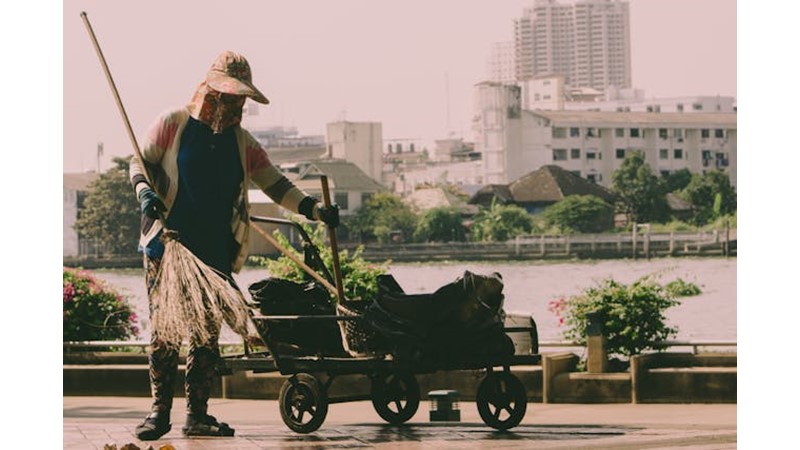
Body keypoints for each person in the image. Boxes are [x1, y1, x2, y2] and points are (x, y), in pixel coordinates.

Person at [129, 51, 339, 440]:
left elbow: (275, 184)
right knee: (165, 331)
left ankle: (198, 414)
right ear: (209, 92)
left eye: (239, 99)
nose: (233, 105)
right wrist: (145, 193)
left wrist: (313, 209)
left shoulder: (242, 143)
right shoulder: (172, 124)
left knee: (206, 334)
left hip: (214, 250)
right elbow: (139, 163)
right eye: (227, 96)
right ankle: (159, 413)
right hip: (168, 246)